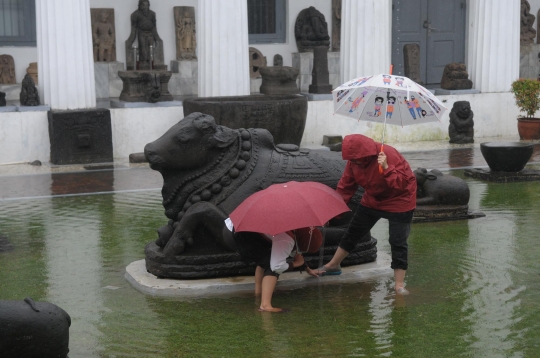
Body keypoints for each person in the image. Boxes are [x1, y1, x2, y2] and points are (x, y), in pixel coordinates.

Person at [309, 134, 417, 295]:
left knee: (397, 241)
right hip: (373, 199)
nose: (355, 163)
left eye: (358, 159)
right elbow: (346, 186)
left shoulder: (387, 153)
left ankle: (399, 284)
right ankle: (333, 265)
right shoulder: (354, 162)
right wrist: (332, 212)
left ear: (367, 153)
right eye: (352, 160)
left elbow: (401, 184)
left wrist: (387, 168)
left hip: (400, 200)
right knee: (354, 231)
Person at [233, 226, 322, 312]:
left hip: (245, 229)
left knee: (265, 260)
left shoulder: (295, 229)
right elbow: (277, 267)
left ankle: (258, 295)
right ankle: (265, 306)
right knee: (272, 265)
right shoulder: (287, 238)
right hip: (244, 234)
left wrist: (308, 269)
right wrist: (296, 264)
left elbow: (297, 253)